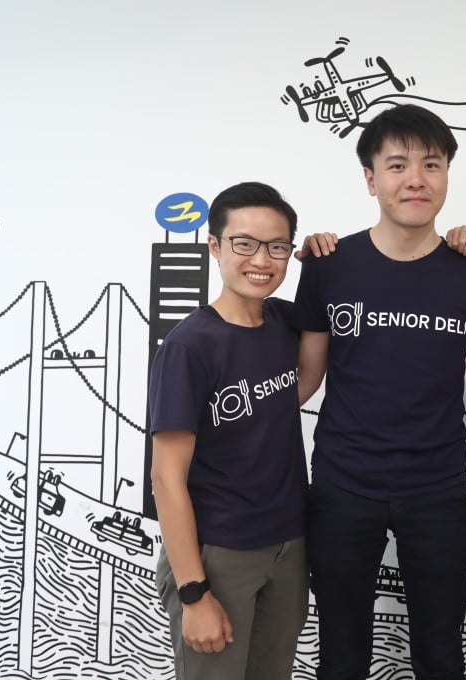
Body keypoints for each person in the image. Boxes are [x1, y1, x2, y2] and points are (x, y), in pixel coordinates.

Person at [294, 104, 466, 680]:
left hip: (437, 488)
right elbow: (305, 378)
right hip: (342, 484)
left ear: (446, 176)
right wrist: (230, 417)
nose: (416, 178)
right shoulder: (329, 265)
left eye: (431, 164)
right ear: (370, 179)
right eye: (397, 165)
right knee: (341, 650)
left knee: (440, 653)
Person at [149, 182, 312, 680]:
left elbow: (303, 384)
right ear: (215, 247)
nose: (261, 259)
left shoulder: (284, 322)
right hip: (219, 555)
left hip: (288, 548)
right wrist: (194, 592)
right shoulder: (190, 346)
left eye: (277, 246)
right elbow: (166, 478)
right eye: (244, 243)